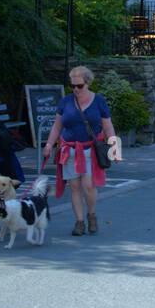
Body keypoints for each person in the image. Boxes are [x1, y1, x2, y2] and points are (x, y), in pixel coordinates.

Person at [42, 66, 117, 236]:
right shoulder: (66, 101)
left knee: (88, 186)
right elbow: (57, 125)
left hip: (90, 150)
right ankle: (79, 222)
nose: (76, 89)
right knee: (74, 187)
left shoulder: (99, 101)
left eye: (80, 86)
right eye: (73, 86)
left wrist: (115, 147)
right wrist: (48, 145)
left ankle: (91, 215)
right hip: (69, 150)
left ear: (88, 83)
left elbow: (108, 126)